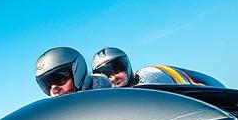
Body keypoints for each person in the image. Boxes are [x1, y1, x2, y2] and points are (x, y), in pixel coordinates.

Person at [91, 47, 224, 88]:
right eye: (105, 75)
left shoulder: (151, 77)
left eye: (116, 70)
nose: (113, 78)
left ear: (127, 66)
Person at [34, 47, 113, 96]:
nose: (54, 90)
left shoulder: (108, 96)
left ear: (78, 72)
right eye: (46, 84)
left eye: (58, 79)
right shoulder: (56, 113)